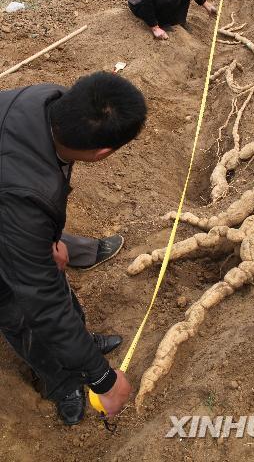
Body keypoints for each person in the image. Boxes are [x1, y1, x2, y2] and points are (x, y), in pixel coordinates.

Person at [0, 71, 147, 426]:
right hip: (11, 214)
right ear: (103, 153)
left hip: (12, 207)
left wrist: (50, 239)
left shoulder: (45, 100)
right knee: (18, 312)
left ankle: (78, 345)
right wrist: (103, 380)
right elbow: (42, 300)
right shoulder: (25, 198)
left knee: (52, 269)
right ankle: (62, 380)